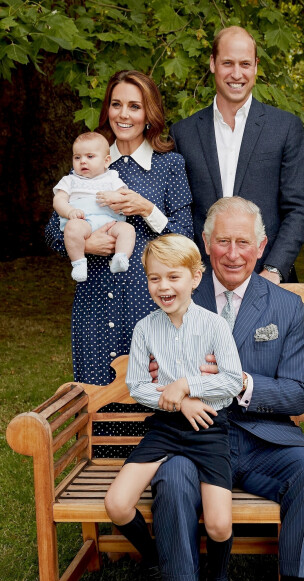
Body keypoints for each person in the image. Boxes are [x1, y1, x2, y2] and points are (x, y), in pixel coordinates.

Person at [150, 197, 304, 581]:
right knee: (170, 480)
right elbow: (153, 364)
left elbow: (300, 394)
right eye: (222, 241)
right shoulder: (180, 293)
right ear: (205, 246)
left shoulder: (284, 306)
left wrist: (240, 384)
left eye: (243, 243)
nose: (232, 253)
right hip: (194, 438)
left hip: (262, 439)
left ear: (261, 248)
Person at [104, 234, 243, 581]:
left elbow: (231, 381)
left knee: (217, 524)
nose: (164, 287)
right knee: (116, 503)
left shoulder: (215, 326)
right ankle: (156, 561)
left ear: (196, 277)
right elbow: (137, 386)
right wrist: (179, 401)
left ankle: (218, 577)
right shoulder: (145, 329)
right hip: (165, 427)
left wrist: (188, 385)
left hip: (208, 428)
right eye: (154, 278)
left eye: (173, 277)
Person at [46, 70, 193, 385]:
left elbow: (185, 237)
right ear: (106, 110)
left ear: (149, 114)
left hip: (149, 299)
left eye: (134, 106)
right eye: (116, 104)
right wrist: (85, 246)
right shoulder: (89, 160)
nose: (123, 114)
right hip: (95, 299)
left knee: (153, 395)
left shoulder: (169, 165)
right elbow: (51, 232)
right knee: (97, 396)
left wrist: (148, 209)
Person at [170, 25, 304, 283]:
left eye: (245, 64)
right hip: (202, 281)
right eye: (228, 63)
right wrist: (194, 268)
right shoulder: (183, 133)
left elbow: (298, 208)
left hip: (268, 278)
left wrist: (274, 269)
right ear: (213, 63)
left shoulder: (285, 128)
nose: (237, 74)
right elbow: (181, 211)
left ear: (256, 66)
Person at [53, 132, 136, 282]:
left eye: (90, 157)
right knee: (72, 228)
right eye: (77, 157)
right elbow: (58, 200)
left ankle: (121, 257)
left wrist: (115, 197)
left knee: (127, 230)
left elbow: (125, 197)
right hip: (83, 221)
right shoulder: (70, 180)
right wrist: (70, 211)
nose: (83, 161)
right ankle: (78, 262)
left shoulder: (112, 178)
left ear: (106, 161)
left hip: (110, 222)